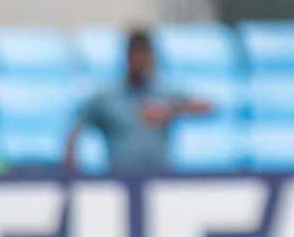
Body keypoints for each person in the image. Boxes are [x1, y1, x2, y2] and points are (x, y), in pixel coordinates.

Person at [66, 30, 210, 172]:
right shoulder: (106, 98)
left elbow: (207, 107)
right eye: (135, 53)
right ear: (127, 57)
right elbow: (76, 130)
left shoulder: (164, 94)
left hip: (159, 180)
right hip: (119, 181)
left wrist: (170, 111)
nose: (140, 60)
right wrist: (76, 176)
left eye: (144, 54)